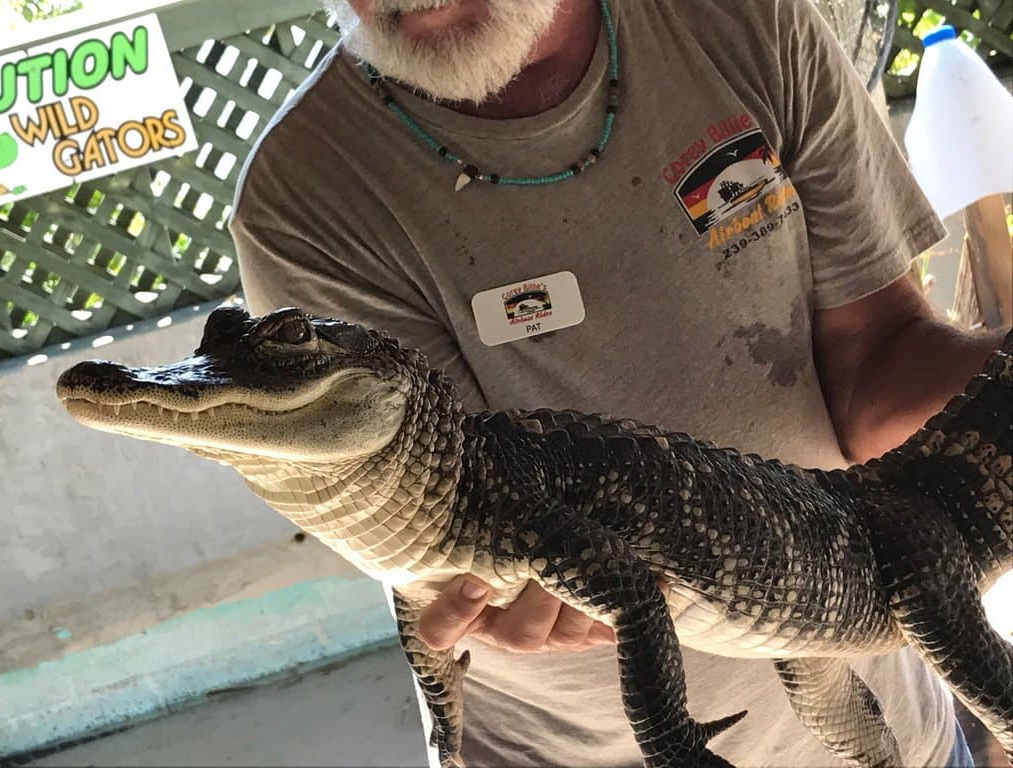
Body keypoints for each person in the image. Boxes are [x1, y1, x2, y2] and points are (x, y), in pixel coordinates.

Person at [229, 0, 1004, 764]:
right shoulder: (303, 197)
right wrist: (474, 583)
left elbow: (874, 363)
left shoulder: (748, 21)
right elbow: (453, 514)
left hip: (879, 705)